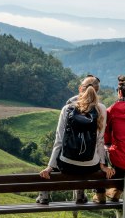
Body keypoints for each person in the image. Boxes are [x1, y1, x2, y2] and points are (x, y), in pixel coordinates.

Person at [38, 75, 115, 204]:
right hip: (90, 166)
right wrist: (102, 165)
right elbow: (100, 140)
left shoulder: (67, 109)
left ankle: (43, 195)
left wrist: (50, 167)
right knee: (89, 160)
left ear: (80, 89)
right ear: (97, 91)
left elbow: (59, 140)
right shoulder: (101, 109)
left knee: (63, 158)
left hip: (67, 165)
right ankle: (80, 193)